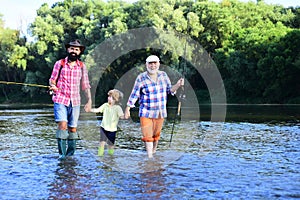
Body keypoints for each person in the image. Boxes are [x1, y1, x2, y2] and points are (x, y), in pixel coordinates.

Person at [124, 55, 184, 158]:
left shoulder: (163, 75)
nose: (152, 66)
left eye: (155, 63)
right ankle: (150, 158)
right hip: (145, 112)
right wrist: (128, 108)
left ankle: (153, 153)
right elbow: (135, 94)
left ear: (159, 64)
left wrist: (178, 85)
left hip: (160, 112)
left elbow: (170, 90)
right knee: (148, 137)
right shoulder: (141, 78)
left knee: (156, 136)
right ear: (146, 65)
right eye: (150, 63)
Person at [49, 39, 92, 160]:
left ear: (79, 52)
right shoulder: (60, 63)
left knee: (72, 128)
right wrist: (53, 86)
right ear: (68, 50)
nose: (74, 51)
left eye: (76, 49)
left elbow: (86, 85)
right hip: (60, 99)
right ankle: (62, 156)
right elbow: (52, 79)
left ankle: (70, 156)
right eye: (72, 48)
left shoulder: (82, 66)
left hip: (75, 101)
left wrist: (89, 101)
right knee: (62, 125)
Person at [87, 89, 125, 156]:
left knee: (111, 145)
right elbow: (97, 110)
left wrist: (126, 116)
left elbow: (121, 116)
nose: (109, 98)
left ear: (115, 99)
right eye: (109, 96)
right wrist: (90, 110)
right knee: (102, 143)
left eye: (111, 97)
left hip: (112, 130)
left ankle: (111, 157)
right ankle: (100, 155)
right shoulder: (105, 105)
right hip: (103, 127)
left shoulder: (118, 108)